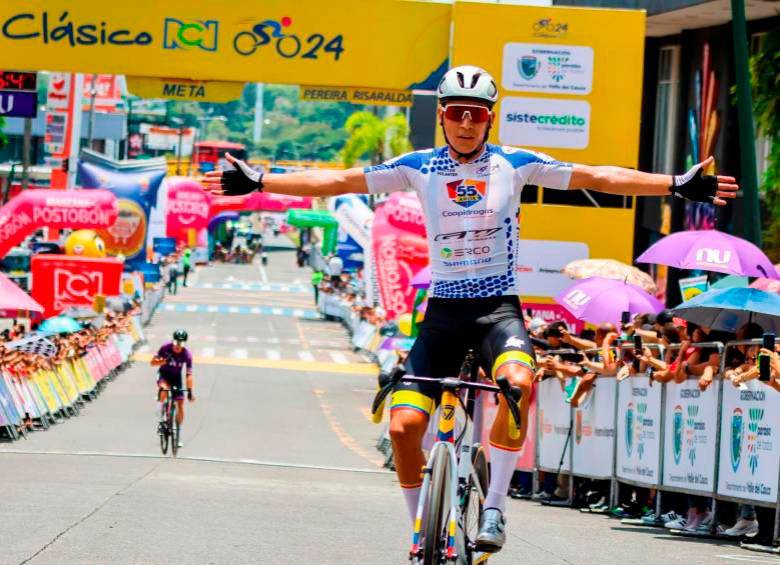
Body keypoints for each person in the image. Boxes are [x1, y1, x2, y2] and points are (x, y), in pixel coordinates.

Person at [203, 65, 739, 553]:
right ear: (441, 117)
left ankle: (496, 510)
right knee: (402, 428)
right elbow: (337, 180)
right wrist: (259, 180)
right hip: (443, 315)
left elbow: (598, 175)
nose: (465, 123)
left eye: (475, 114)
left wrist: (674, 184)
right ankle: (418, 529)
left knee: (519, 385)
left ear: (490, 118)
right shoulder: (418, 167)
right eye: (455, 113)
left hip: (496, 312)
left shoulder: (515, 164)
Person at [150, 329, 194, 448]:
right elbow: (152, 363)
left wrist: (190, 391)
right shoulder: (165, 348)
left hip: (176, 378)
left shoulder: (187, 355)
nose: (178, 347)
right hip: (164, 375)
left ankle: (178, 431)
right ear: (173, 341)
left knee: (180, 402)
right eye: (176, 343)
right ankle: (160, 417)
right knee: (164, 389)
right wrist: (164, 361)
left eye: (181, 344)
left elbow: (189, 375)